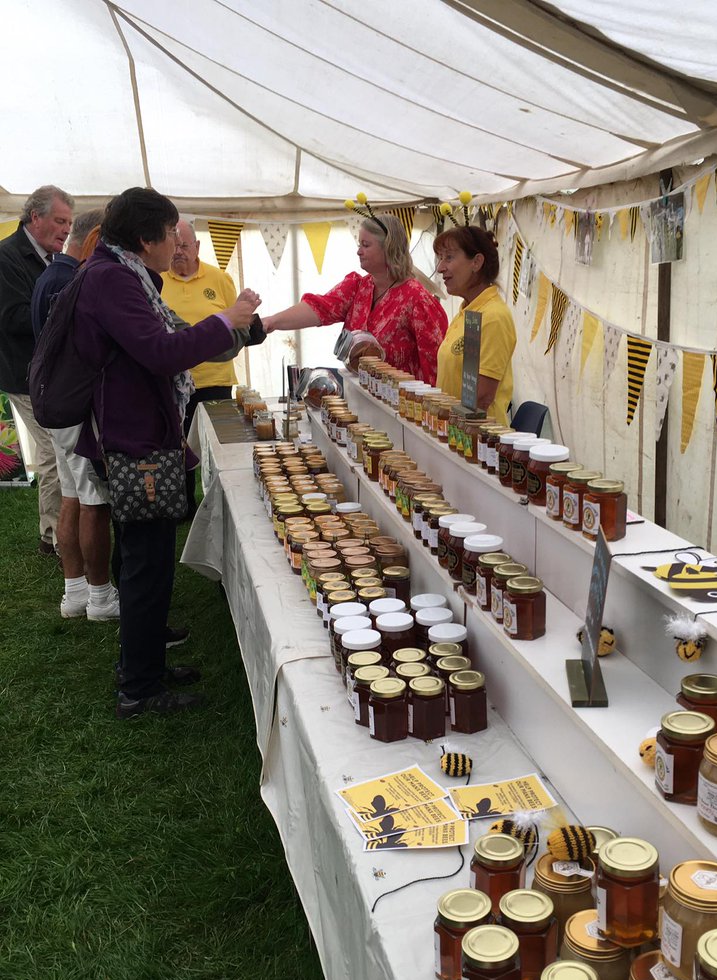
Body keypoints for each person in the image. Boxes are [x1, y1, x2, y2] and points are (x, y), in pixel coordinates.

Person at [71, 187, 260, 718]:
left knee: (147, 558)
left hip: (138, 433)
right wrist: (226, 320)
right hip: (133, 439)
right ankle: (140, 688)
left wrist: (233, 325)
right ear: (144, 239)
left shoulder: (121, 273)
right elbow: (160, 352)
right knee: (146, 563)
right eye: (171, 237)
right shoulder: (112, 279)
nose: (176, 248)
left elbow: (170, 335)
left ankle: (145, 663)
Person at [30, 208, 120, 620]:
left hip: (54, 405)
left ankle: (75, 593)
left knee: (72, 497)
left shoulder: (52, 275)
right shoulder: (71, 279)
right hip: (73, 408)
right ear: (95, 238)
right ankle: (101, 598)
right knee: (94, 503)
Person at [262, 214, 447, 384]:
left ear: (389, 248)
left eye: (366, 245)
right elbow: (319, 309)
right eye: (359, 245)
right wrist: (272, 321)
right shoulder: (358, 286)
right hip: (358, 398)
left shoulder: (417, 299)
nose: (359, 251)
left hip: (401, 408)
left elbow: (436, 366)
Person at [0, 184, 74, 553]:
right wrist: (64, 314)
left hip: (47, 372)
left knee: (57, 447)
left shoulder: (49, 256)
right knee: (51, 449)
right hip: (24, 373)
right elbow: (11, 318)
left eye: (69, 223)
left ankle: (58, 529)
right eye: (59, 221)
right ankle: (54, 536)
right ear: (35, 217)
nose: (65, 229)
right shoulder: (7, 257)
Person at [162, 219, 243, 516]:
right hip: (175, 382)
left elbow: (238, 324)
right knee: (178, 446)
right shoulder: (157, 278)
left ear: (197, 247)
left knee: (216, 448)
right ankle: (183, 505)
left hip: (216, 382)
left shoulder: (219, 279)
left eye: (185, 245)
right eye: (175, 244)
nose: (179, 251)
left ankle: (219, 505)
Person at [434, 224, 516, 426]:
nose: (440, 267)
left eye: (449, 257)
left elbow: (481, 398)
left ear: (476, 262)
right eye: (440, 258)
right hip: (454, 434)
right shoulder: (469, 312)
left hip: (476, 442)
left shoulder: (493, 316)